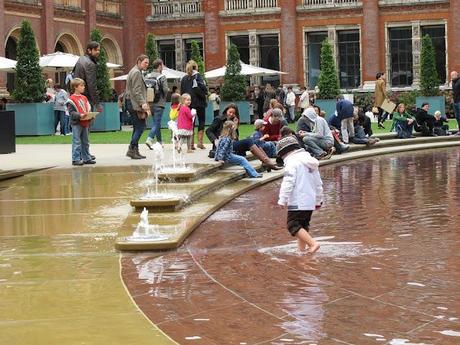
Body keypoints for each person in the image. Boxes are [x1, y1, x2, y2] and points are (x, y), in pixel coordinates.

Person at [276, 135, 323, 253]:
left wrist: (282, 199)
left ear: (285, 153)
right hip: (310, 200)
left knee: (292, 225)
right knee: (302, 225)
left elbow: (288, 182)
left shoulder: (292, 163)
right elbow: (318, 183)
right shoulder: (310, 161)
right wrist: (318, 200)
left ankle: (313, 244)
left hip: (298, 200)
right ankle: (301, 251)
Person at [206, 103, 281, 171]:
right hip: (223, 146)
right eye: (230, 112)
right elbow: (208, 131)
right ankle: (267, 162)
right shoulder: (219, 119)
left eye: (233, 113)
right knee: (248, 141)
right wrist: (215, 140)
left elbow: (235, 137)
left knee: (253, 141)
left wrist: (235, 125)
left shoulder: (234, 121)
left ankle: (266, 161)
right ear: (226, 111)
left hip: (232, 145)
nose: (231, 114)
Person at [125, 54, 150, 159]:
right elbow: (136, 90)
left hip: (131, 102)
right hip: (134, 103)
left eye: (147, 63)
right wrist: (142, 103)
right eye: (145, 62)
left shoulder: (135, 71)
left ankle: (135, 150)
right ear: (139, 62)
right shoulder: (136, 73)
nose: (147, 65)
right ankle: (131, 149)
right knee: (140, 126)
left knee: (137, 127)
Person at [67, 78, 95, 166]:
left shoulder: (84, 98)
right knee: (77, 141)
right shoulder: (71, 99)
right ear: (75, 87)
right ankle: (75, 159)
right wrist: (80, 115)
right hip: (77, 123)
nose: (83, 87)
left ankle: (86, 157)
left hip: (85, 122)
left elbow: (88, 108)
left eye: (83, 85)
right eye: (81, 86)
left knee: (86, 141)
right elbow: (71, 113)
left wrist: (90, 115)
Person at [180, 60, 207, 150]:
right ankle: (200, 142)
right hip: (200, 103)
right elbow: (204, 89)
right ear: (196, 67)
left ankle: (191, 144)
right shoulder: (198, 76)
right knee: (202, 121)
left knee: (191, 123)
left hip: (189, 104)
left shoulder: (184, 79)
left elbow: (182, 93)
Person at [144, 59, 169, 149]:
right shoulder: (162, 77)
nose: (162, 67)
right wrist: (165, 95)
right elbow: (165, 90)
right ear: (159, 66)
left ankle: (159, 142)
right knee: (157, 123)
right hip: (159, 103)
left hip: (150, 103)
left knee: (156, 123)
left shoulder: (147, 76)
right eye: (162, 65)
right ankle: (149, 139)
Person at [74, 41, 100, 109]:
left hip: (77, 97)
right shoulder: (90, 64)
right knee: (88, 118)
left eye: (98, 50)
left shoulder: (80, 59)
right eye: (95, 50)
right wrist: (97, 104)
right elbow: (92, 85)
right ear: (89, 50)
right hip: (86, 99)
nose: (98, 52)